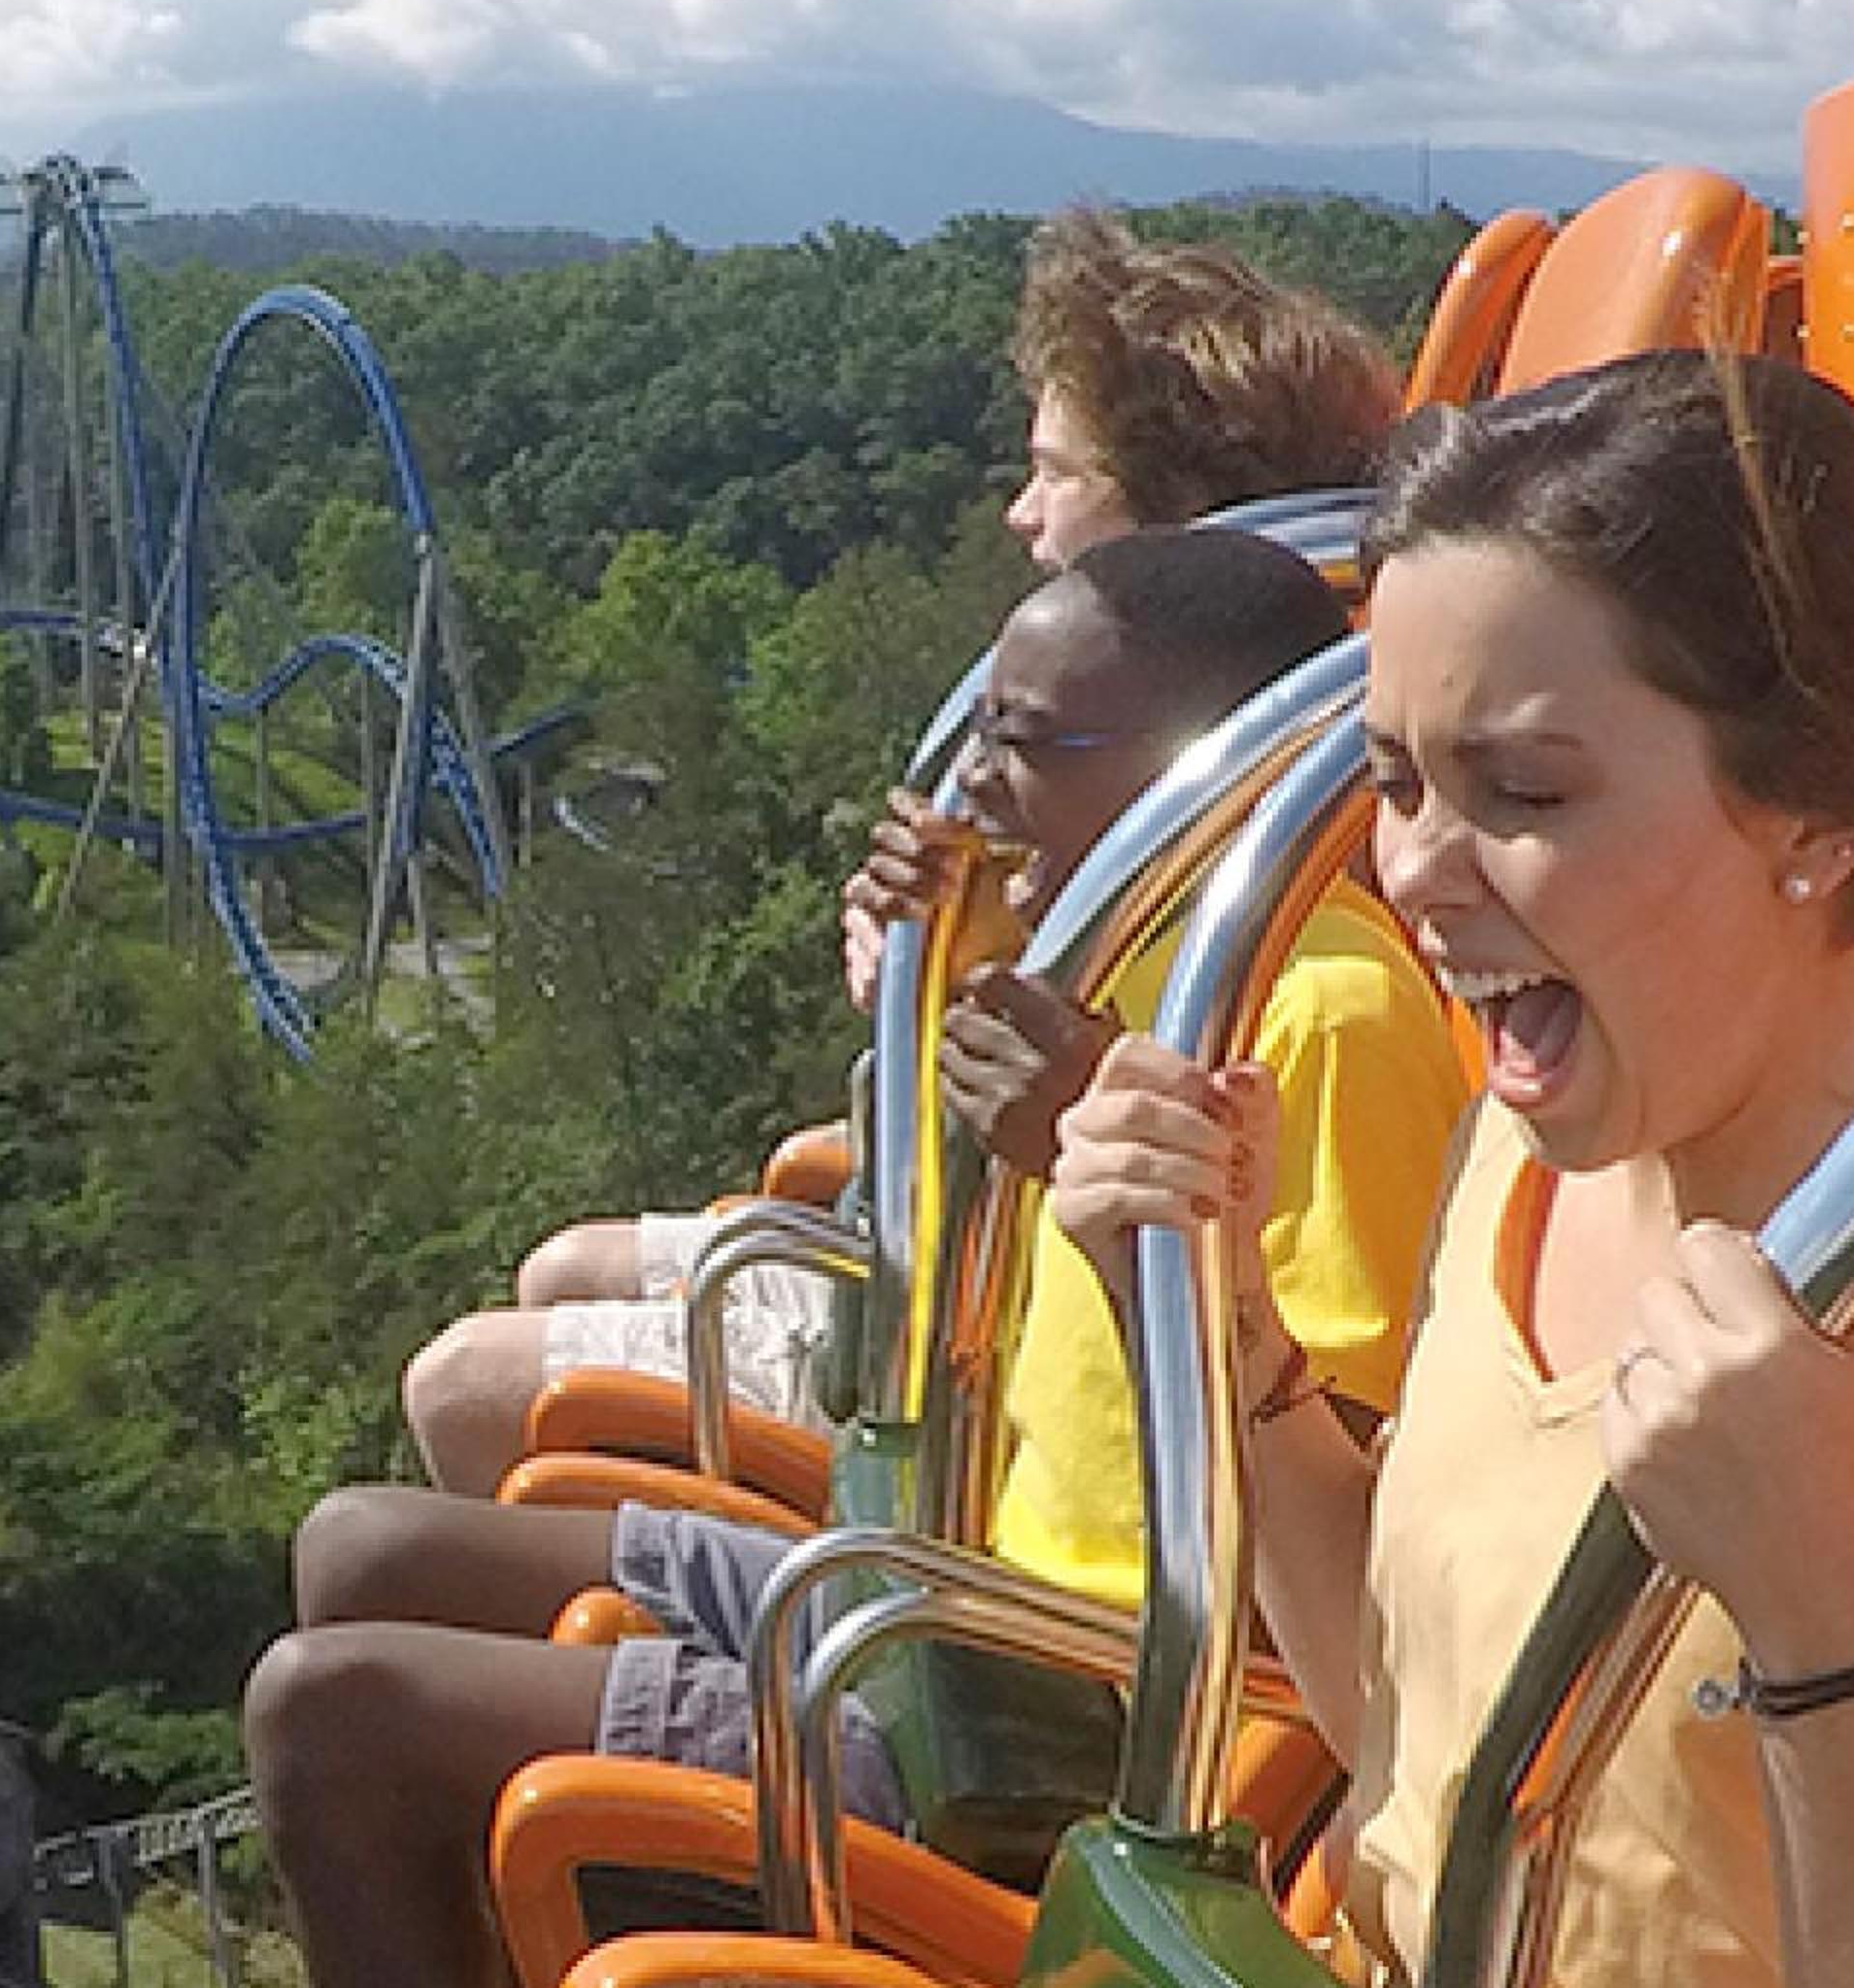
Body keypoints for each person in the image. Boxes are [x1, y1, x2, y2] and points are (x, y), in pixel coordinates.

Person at [360, 352, 1854, 1988]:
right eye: (1396, 779)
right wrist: (1230, 1347)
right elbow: (1403, 1732)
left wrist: (1822, 1616)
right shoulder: (1557, 1122)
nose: (1419, 870)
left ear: (1819, 804)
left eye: (1524, 792)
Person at [246, 527, 1466, 1988]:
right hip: (953, 1591)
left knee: (325, 1713)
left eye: (1025, 743)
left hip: (1070, 1695)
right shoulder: (1122, 967)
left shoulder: (1319, 1013)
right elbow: (944, 1280)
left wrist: (1100, 1164)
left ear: (1202, 765)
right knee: (362, 1547)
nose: (973, 786)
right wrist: (932, 980)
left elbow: (1333, 1534)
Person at [400, 218, 1402, 1496]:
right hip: (969, 1282)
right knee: (561, 1270)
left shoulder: (1300, 936)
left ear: (1180, 526)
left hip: (982, 1358)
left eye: (1056, 474)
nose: (1020, 513)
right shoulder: (1125, 829)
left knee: (461, 1383)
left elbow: (1081, 1187)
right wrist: (941, 985)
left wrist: (952, 1015)